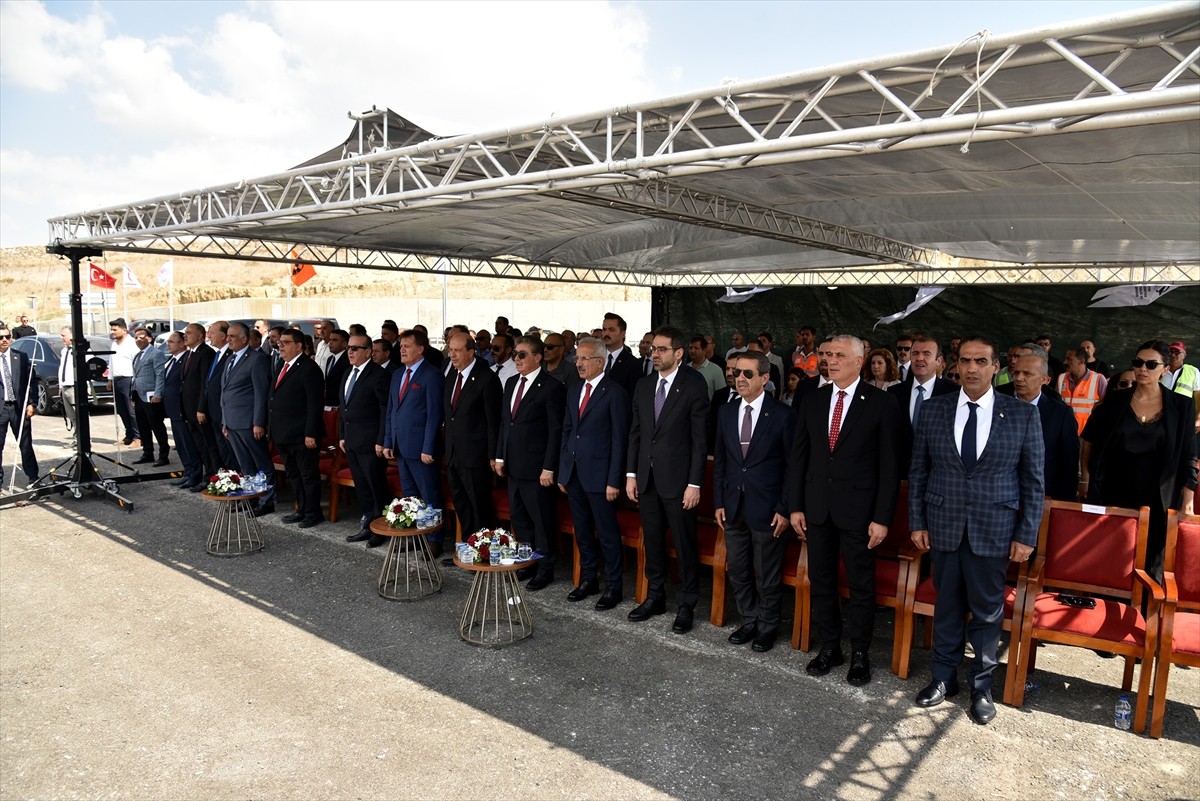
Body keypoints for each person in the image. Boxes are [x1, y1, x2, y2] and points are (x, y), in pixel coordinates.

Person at [909, 335, 1044, 726]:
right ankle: (942, 678)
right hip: (944, 525)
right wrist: (917, 521)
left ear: (995, 366)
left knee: (987, 612)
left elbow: (1033, 481)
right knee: (946, 605)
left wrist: (1026, 534)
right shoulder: (934, 410)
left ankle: (981, 686)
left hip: (995, 528)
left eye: (981, 361)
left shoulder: (1020, 415)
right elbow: (919, 471)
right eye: (965, 361)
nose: (971, 368)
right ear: (954, 365)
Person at [788, 335, 900, 681]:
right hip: (818, 508)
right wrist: (796, 506)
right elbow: (799, 456)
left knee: (861, 585)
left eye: (839, 355)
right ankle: (830, 647)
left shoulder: (881, 403)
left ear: (859, 360)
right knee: (822, 579)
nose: (830, 360)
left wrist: (881, 518)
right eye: (827, 355)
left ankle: (861, 653)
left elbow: (890, 467)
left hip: (859, 512)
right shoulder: (813, 398)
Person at [1080, 340, 1197, 579]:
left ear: (1165, 369)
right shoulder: (1115, 401)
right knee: (1110, 550)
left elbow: (1188, 454)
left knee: (1152, 556)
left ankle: (1143, 609)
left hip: (1159, 492)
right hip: (1114, 487)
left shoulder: (1181, 405)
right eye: (1138, 362)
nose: (1143, 369)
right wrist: (1086, 478)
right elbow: (1090, 442)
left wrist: (1188, 500)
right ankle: (1110, 604)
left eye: (1151, 364)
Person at [626, 325, 709, 633]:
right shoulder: (644, 385)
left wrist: (694, 484)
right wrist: (631, 474)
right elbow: (636, 432)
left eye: (661, 349)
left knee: (685, 545)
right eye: (653, 349)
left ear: (678, 353)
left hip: (679, 482)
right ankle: (656, 595)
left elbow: (700, 440)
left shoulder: (693, 384)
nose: (654, 353)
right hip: (647, 479)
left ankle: (687, 603)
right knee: (654, 541)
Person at [714, 351, 796, 653]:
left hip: (768, 508)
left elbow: (792, 467)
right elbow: (721, 460)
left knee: (767, 574)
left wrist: (784, 508)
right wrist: (719, 501)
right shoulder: (725, 412)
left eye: (748, 373)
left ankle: (767, 626)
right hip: (733, 505)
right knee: (737, 568)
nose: (740, 379)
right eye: (737, 372)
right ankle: (748, 620)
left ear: (765, 378)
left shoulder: (783, 415)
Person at [558, 336, 630, 608]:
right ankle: (590, 578)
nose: (579, 363)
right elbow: (568, 430)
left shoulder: (614, 393)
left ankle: (614, 586)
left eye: (585, 358)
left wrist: (614, 480)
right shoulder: (575, 389)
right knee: (583, 530)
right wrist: (564, 470)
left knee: (608, 533)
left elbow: (619, 441)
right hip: (575, 473)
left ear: (600, 361)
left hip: (601, 477)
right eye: (577, 358)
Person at [495, 336, 565, 590]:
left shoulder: (552, 387)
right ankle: (527, 562)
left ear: (538, 357)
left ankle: (545, 568)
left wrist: (549, 467)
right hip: (513, 464)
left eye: (523, 355)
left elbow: (555, 431)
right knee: (520, 517)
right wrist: (500, 456)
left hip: (537, 468)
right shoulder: (512, 382)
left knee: (541, 519)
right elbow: (506, 422)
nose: (517, 359)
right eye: (515, 354)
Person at [383, 329, 445, 553]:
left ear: (421, 349)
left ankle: (435, 538)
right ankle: (414, 535)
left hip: (421, 449)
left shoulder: (432, 375)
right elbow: (392, 410)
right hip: (400, 446)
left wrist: (428, 447)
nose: (402, 350)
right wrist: (388, 441)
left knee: (429, 495)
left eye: (407, 346)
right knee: (409, 496)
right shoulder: (398, 374)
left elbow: (434, 415)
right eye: (400, 346)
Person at [442, 331, 501, 549]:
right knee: (462, 503)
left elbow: (493, 421)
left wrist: (493, 455)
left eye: (457, 351)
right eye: (450, 350)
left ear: (471, 351)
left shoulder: (487, 379)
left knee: (479, 505)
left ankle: (485, 550)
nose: (453, 355)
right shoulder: (451, 376)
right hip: (454, 453)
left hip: (476, 455)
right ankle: (468, 548)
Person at [339, 334, 393, 547]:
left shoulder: (378, 375)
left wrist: (382, 440)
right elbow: (344, 409)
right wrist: (342, 435)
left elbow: (384, 411)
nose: (350, 352)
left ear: (368, 351)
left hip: (371, 443)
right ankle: (367, 524)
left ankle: (380, 528)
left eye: (355, 348)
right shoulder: (347, 373)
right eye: (349, 348)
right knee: (362, 487)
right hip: (351, 442)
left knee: (376, 486)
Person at [269, 329, 326, 528]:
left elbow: (315, 404)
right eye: (280, 343)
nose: (280, 346)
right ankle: (301, 509)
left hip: (302, 434)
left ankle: (313, 512)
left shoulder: (309, 368)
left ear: (299, 345)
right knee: (293, 475)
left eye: (285, 342)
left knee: (308, 475)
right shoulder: (281, 365)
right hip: (283, 433)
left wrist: (311, 433)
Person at [220, 322, 276, 516]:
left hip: (249, 422)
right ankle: (251, 497)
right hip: (233, 422)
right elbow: (224, 391)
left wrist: (258, 422)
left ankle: (266, 500)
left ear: (244, 339)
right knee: (245, 464)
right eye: (227, 336)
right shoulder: (230, 359)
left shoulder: (256, 359)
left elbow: (261, 393)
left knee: (261, 463)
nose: (228, 340)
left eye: (232, 337)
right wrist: (225, 422)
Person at [1011, 352, 1080, 502]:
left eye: (1027, 374)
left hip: (1043, 498)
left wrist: (1063, 503)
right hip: (999, 497)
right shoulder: (996, 406)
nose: (1019, 378)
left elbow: (1069, 463)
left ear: (1045, 379)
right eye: (1016, 372)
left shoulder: (1060, 414)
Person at [888, 335, 956, 477]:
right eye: (915, 354)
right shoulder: (894, 393)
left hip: (939, 477)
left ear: (939, 361)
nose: (920, 358)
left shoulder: (953, 393)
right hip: (901, 475)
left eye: (926, 354)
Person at [0, 324, 39, 488]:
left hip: (19, 409)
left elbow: (33, 381)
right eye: (0, 338)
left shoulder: (21, 357)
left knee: (25, 445)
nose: (4, 340)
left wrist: (32, 403)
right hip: (1, 410)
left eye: (7, 337)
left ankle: (33, 478)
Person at [161, 331, 202, 488]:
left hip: (181, 409)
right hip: (172, 409)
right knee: (180, 443)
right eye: (168, 341)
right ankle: (188, 471)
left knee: (188, 443)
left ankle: (195, 474)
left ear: (182, 344)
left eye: (172, 341)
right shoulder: (172, 360)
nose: (168, 344)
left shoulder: (186, 359)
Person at [180, 323, 217, 489]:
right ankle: (204, 474)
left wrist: (201, 408)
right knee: (199, 446)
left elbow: (204, 384)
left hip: (199, 410)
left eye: (188, 333)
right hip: (189, 410)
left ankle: (211, 477)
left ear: (200, 336)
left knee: (208, 446)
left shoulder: (206, 353)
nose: (185, 336)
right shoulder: (190, 354)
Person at [130, 327, 170, 466]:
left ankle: (164, 455)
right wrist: (133, 396)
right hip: (139, 395)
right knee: (143, 426)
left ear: (149, 339)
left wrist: (158, 394)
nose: (138, 340)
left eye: (141, 337)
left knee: (156, 425)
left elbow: (160, 374)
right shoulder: (137, 355)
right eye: (136, 338)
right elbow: (136, 377)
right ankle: (148, 452)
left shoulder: (156, 353)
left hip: (152, 396)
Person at [201, 320, 236, 469]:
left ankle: (235, 480)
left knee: (230, 451)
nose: (209, 335)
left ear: (223, 335)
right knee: (221, 449)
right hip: (214, 411)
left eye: (212, 332)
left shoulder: (231, 354)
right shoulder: (218, 354)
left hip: (225, 412)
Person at [1057, 347, 1107, 434]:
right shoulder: (1061, 378)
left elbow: (1107, 407)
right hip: (1064, 433)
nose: (1065, 362)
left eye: (1069, 359)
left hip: (1087, 434)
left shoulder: (1098, 379)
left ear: (1082, 361)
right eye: (1066, 358)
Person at [108, 317, 140, 447]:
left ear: (124, 330)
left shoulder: (132, 344)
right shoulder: (114, 344)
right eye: (112, 329)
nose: (113, 332)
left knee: (131, 410)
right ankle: (129, 435)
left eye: (115, 329)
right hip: (117, 380)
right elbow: (111, 362)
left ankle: (138, 437)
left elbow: (137, 364)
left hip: (129, 380)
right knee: (122, 410)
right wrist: (110, 379)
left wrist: (135, 383)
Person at [599, 313, 641, 398]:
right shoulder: (595, 358)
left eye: (611, 330)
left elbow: (634, 397)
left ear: (623, 333)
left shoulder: (633, 364)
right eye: (604, 329)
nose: (606, 333)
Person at [57, 327, 78, 448]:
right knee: (72, 416)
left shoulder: (79, 350)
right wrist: (61, 385)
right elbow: (62, 368)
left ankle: (84, 440)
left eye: (63, 335)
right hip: (65, 386)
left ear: (72, 335)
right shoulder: (64, 350)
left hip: (75, 387)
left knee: (79, 415)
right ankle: (76, 440)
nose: (61, 338)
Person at [323, 329, 351, 406]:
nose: (330, 343)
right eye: (330, 340)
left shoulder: (349, 360)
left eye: (334, 340)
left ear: (345, 343)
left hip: (341, 404)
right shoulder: (330, 359)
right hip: (328, 404)